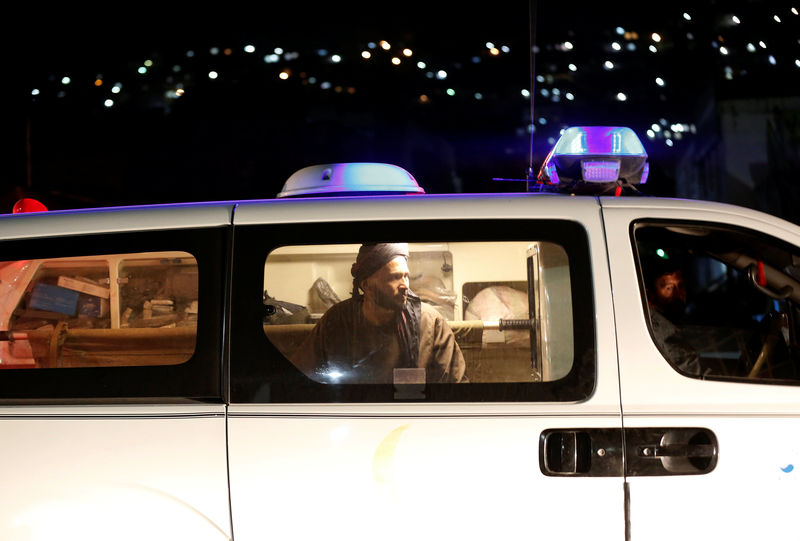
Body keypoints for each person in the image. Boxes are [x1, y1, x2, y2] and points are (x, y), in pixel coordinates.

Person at [291, 242, 467, 384]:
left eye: (406, 276)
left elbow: (456, 385)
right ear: (366, 286)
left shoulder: (430, 322)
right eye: (394, 277)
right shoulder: (337, 320)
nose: (405, 285)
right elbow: (300, 377)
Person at [645, 260, 704, 375]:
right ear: (650, 297)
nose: (677, 294)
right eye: (669, 288)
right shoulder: (661, 332)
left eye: (680, 286)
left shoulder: (673, 324)